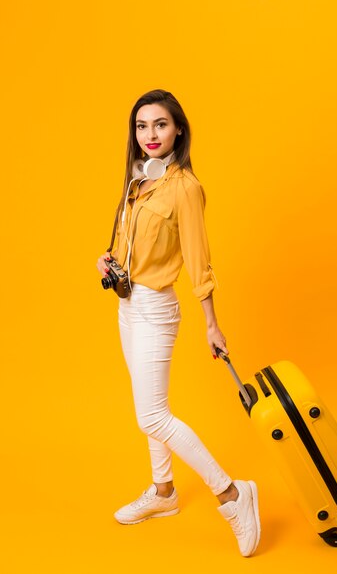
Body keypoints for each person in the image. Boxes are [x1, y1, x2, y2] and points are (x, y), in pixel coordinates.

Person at [96, 89, 261, 557]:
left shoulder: (185, 188)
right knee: (149, 408)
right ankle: (164, 493)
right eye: (142, 126)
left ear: (179, 130)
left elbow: (198, 259)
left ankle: (232, 494)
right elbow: (135, 243)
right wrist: (110, 261)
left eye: (160, 125)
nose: (150, 135)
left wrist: (212, 324)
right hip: (128, 306)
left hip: (156, 309)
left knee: (152, 415)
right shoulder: (137, 182)